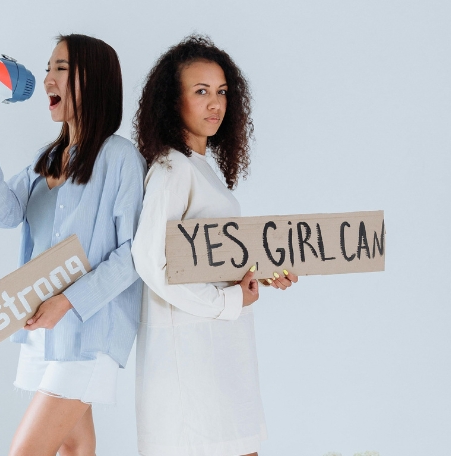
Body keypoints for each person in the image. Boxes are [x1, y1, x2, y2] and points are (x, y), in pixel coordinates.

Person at [0, 34, 145, 456]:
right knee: (75, 449)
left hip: (89, 335)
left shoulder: (121, 159)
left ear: (92, 80)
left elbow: (133, 255)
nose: (46, 80)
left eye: (60, 68)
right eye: (48, 69)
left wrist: (68, 301)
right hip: (47, 334)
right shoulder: (48, 158)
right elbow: (7, 214)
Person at [131, 35, 297, 456]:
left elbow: (208, 259)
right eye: (201, 91)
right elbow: (151, 261)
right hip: (191, 363)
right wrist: (228, 302)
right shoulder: (172, 169)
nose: (215, 103)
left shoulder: (200, 169)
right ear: (172, 101)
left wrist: (260, 273)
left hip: (219, 356)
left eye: (222, 92)